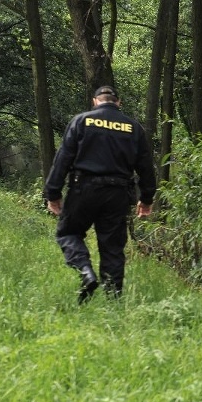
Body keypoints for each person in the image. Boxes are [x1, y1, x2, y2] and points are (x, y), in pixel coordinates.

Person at [44, 85, 156, 303]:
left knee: (68, 233)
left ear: (95, 101)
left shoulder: (82, 121)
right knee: (113, 247)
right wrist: (147, 199)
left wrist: (53, 193)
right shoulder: (134, 128)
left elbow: (63, 158)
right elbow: (146, 167)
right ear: (118, 103)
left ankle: (85, 271)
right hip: (118, 194)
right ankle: (113, 302)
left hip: (83, 189)